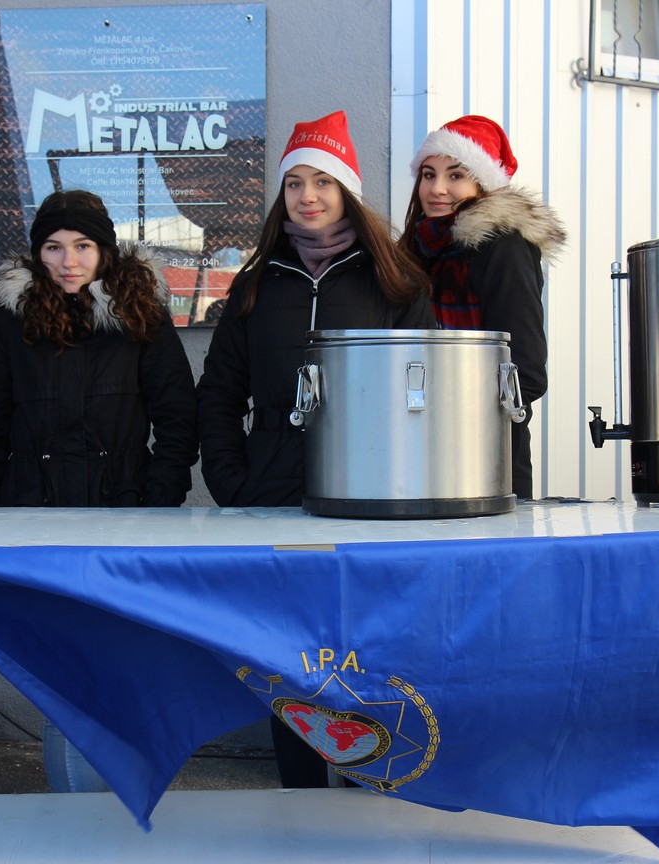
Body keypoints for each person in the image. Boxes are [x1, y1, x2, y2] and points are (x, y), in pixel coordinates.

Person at [196, 110, 434, 787]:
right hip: (271, 498)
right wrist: (231, 479)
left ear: (346, 190)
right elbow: (217, 393)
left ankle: (370, 789)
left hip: (369, 502)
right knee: (290, 659)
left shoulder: (395, 284)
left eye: (323, 182)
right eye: (295, 182)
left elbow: (429, 394)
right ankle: (301, 798)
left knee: (366, 657)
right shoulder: (255, 285)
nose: (308, 196)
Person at [0, 189, 197, 792]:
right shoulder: (8, 325)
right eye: (54, 247)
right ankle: (78, 819)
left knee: (121, 668)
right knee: (64, 677)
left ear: (105, 252)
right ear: (37, 253)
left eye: (84, 246)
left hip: (124, 525)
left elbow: (177, 421)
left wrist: (156, 506)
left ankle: (123, 805)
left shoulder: (140, 316)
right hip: (32, 527)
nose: (69, 260)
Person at [402, 115, 566, 500]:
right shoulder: (417, 250)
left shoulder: (502, 247)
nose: (437, 189)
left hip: (483, 458)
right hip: (415, 450)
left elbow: (525, 372)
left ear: (483, 183)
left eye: (455, 175)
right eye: (428, 174)